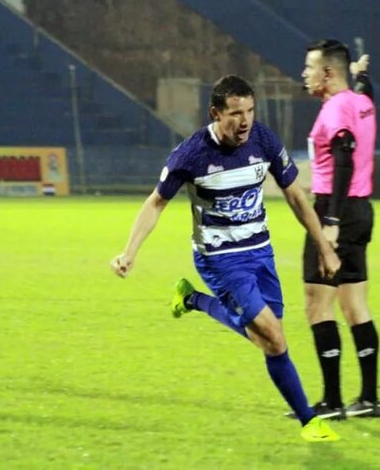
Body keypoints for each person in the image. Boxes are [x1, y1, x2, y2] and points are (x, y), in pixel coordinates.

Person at [110, 75, 342, 442]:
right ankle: (310, 423)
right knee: (275, 338)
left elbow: (297, 197)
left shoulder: (263, 140)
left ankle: (192, 299)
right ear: (215, 113)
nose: (245, 120)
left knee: (264, 338)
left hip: (260, 252)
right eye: (235, 113)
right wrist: (129, 251)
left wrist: (325, 248)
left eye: (250, 110)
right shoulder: (190, 155)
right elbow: (156, 203)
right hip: (220, 258)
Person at [297, 39, 380, 420]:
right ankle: (368, 399)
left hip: (335, 211)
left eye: (309, 67)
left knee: (317, 304)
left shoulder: (334, 110)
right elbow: (365, 92)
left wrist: (329, 222)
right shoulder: (361, 102)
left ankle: (332, 402)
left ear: (328, 73)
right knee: (354, 306)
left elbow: (344, 156)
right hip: (361, 211)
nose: (305, 74)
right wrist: (362, 76)